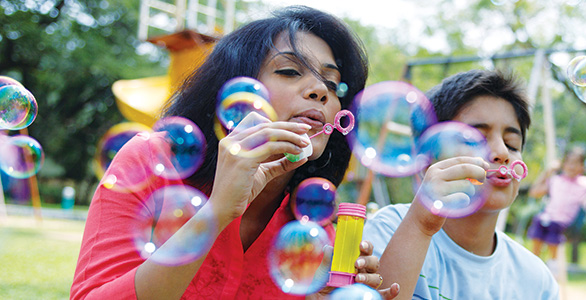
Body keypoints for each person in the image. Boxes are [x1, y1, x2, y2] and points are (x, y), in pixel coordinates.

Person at [71, 6, 398, 299]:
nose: (320, 92)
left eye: (333, 83)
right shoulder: (153, 159)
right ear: (237, 91)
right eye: (289, 71)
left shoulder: (315, 225)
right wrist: (217, 211)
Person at [362, 70, 559, 299]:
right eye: (476, 139)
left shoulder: (536, 281)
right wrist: (421, 225)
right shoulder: (389, 230)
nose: (503, 153)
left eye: (512, 144)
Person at [527, 146, 586, 267]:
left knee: (553, 226)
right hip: (547, 217)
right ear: (563, 165)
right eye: (568, 162)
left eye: (576, 163)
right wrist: (547, 171)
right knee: (538, 221)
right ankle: (534, 261)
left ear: (582, 167)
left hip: (565, 223)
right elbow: (534, 192)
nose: (571, 166)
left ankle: (553, 263)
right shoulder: (555, 180)